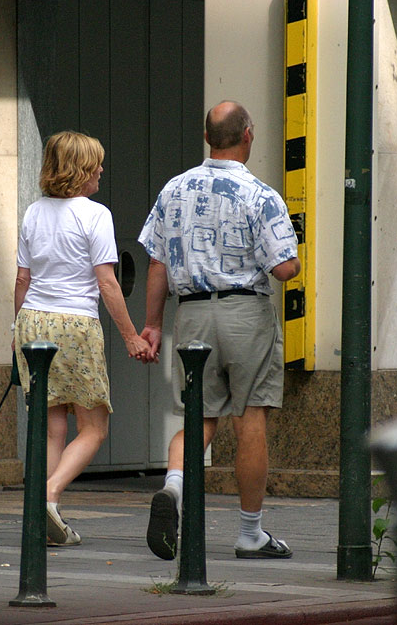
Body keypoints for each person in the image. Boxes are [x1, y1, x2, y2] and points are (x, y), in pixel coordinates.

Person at [137, 101, 301, 560]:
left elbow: (157, 261)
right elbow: (285, 268)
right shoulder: (261, 195)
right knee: (250, 420)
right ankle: (250, 534)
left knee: (198, 417)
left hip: (191, 315)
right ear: (248, 135)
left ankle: (173, 488)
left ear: (208, 138)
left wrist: (152, 325)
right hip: (245, 313)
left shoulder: (174, 190)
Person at [13, 130, 150, 547]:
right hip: (75, 324)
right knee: (94, 428)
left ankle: (42, 513)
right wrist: (130, 336)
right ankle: (49, 498)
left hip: (33, 321)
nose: (102, 171)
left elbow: (22, 279)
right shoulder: (94, 215)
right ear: (80, 170)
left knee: (53, 427)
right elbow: (107, 283)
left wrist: (16, 334)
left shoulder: (33, 212)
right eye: (96, 165)